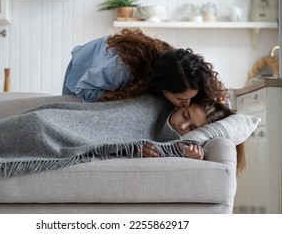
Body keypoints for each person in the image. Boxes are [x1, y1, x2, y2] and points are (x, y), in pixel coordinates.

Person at [63, 28, 226, 107]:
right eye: (182, 100)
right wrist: (123, 97)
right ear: (163, 88)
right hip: (81, 71)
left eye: (190, 98)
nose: (187, 104)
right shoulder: (120, 70)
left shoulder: (176, 65)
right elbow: (84, 89)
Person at [143, 99, 246, 176]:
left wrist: (193, 159)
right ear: (180, 106)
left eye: (192, 128)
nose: (182, 126)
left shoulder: (192, 146)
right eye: (185, 115)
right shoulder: (151, 108)